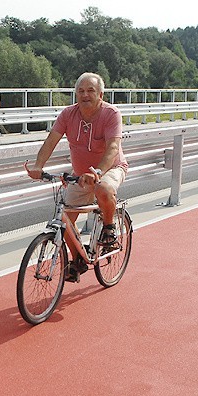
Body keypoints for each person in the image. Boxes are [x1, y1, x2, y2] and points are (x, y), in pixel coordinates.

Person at [25, 72, 128, 282]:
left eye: (90, 91)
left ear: (100, 94)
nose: (85, 95)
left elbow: (112, 148)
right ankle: (78, 260)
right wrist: (38, 165)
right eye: (80, 91)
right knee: (65, 223)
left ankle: (109, 229)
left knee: (104, 189)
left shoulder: (110, 114)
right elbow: (51, 140)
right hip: (80, 176)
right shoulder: (68, 115)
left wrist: (97, 172)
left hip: (109, 170)